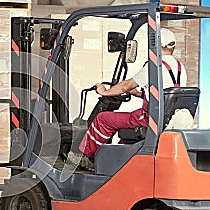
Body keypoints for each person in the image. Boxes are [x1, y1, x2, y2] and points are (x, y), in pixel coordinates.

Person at [73, 28, 187, 171]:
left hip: (147, 119)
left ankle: (86, 158)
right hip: (165, 119)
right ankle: (113, 161)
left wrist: (105, 91)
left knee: (103, 119)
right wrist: (138, 94)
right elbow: (163, 95)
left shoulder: (154, 66)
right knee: (123, 131)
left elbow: (125, 86)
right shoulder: (180, 68)